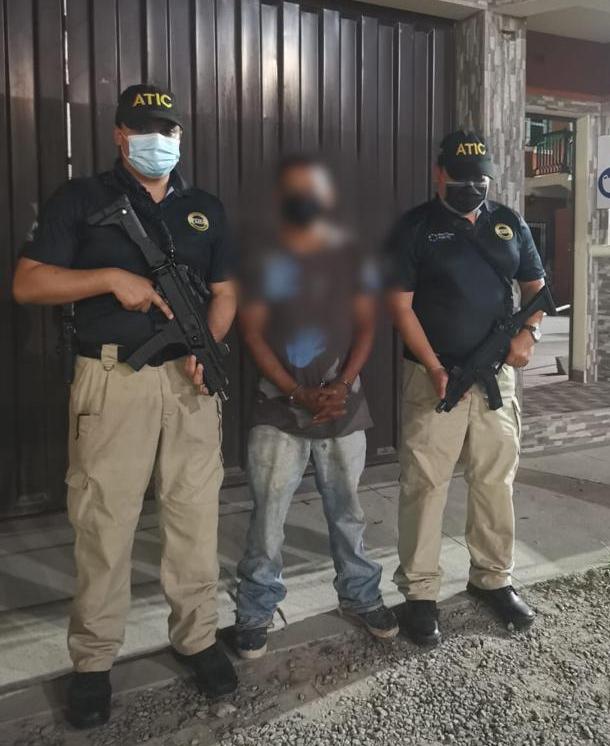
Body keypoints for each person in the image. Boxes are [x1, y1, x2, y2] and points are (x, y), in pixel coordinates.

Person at [12, 85, 238, 728]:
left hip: (189, 384)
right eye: (143, 128)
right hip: (113, 379)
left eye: (167, 129)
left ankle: (197, 637)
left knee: (194, 516)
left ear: (179, 136)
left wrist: (208, 344)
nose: (157, 140)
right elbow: (28, 283)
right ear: (119, 134)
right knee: (105, 521)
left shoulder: (204, 208)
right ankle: (92, 661)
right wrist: (110, 279)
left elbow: (226, 291)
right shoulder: (82, 200)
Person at [234, 156, 399, 659]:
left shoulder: (352, 254)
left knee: (348, 512)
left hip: (343, 408)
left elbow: (367, 326)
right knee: (268, 518)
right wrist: (294, 392)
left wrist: (341, 385)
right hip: (277, 411)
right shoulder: (262, 257)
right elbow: (252, 332)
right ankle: (256, 610)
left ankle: (360, 596)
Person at [386, 131, 546, 646]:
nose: (471, 186)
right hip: (435, 378)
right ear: (440, 174)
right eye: (461, 177)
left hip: (496, 378)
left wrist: (528, 334)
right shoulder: (415, 227)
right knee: (425, 485)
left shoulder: (509, 223)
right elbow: (399, 307)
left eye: (480, 178)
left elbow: (537, 287)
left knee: (495, 480)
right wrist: (434, 366)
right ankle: (420, 594)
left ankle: (493, 579)